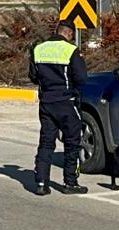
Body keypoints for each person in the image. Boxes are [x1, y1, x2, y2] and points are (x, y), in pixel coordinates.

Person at [29, 20, 88, 195]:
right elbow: (81, 78)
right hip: (67, 102)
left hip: (46, 102)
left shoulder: (38, 48)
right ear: (69, 33)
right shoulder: (71, 50)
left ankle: (41, 183)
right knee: (72, 142)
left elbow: (33, 76)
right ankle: (70, 182)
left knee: (46, 143)